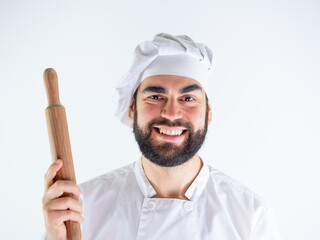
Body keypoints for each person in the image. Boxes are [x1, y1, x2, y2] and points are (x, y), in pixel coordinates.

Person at [42, 33, 282, 240]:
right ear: (132, 108)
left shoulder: (250, 217)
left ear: (208, 114)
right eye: (155, 97)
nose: (171, 113)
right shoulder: (81, 211)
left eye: (188, 98)